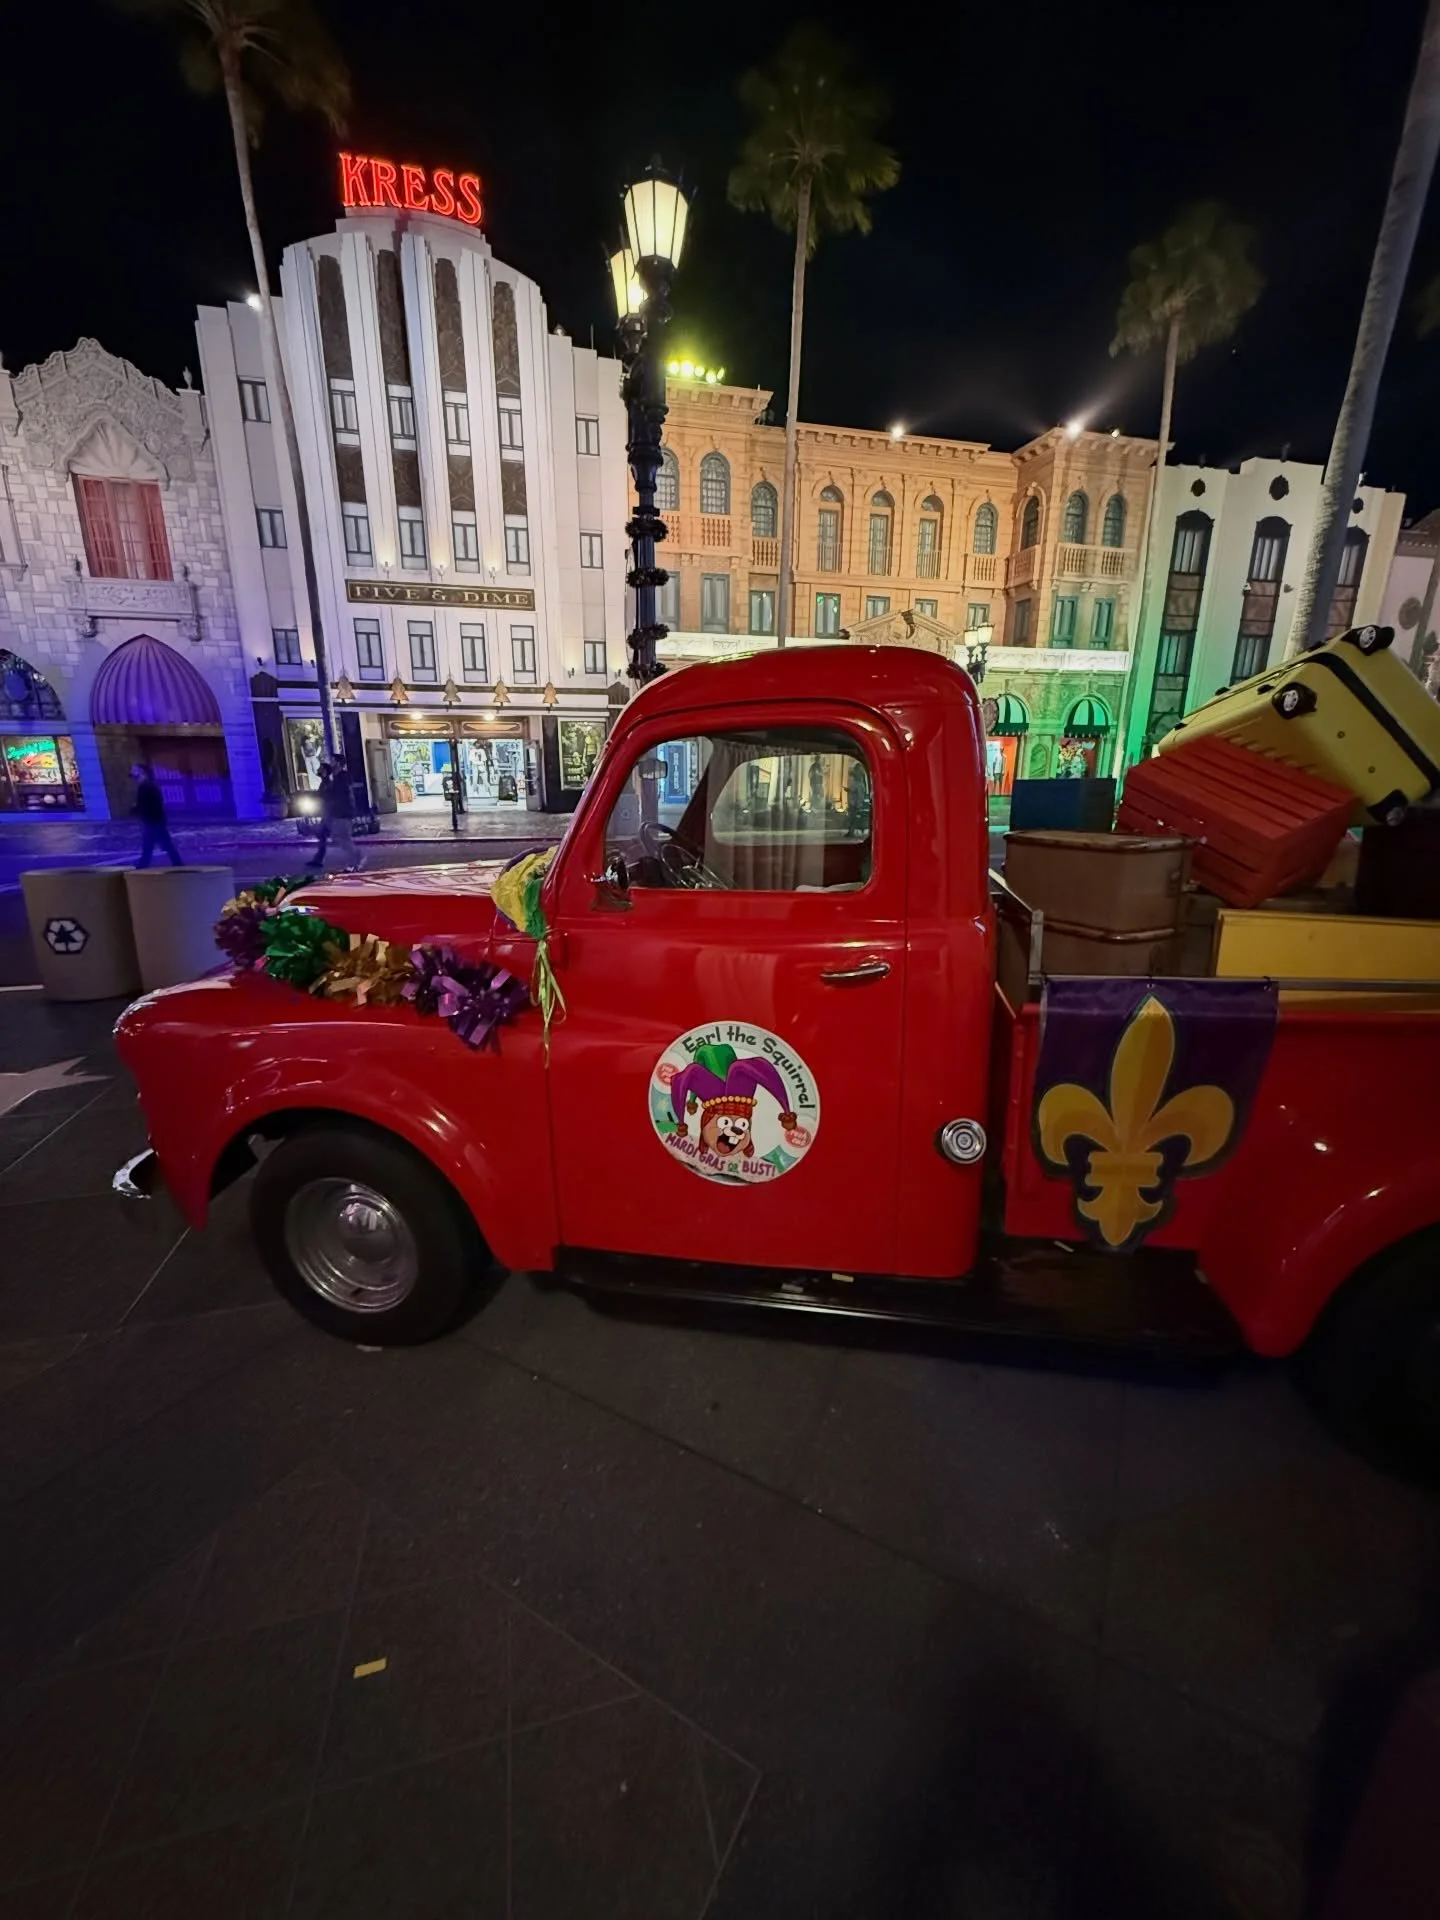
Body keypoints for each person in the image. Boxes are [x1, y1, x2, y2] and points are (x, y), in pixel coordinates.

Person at [307, 758, 357, 871]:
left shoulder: (339, 779)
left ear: (338, 763)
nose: (331, 762)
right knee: (324, 834)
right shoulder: (334, 779)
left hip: (336, 814)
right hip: (333, 813)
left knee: (341, 838)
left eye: (333, 760)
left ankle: (357, 860)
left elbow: (338, 797)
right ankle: (319, 858)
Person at [132, 765, 181, 868]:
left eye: (135, 772)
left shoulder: (147, 787)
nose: (133, 775)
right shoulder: (146, 786)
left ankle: (144, 865)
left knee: (160, 844)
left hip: (153, 821)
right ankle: (177, 863)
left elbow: (152, 805)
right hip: (153, 821)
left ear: (142, 773)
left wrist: (140, 811)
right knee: (155, 845)